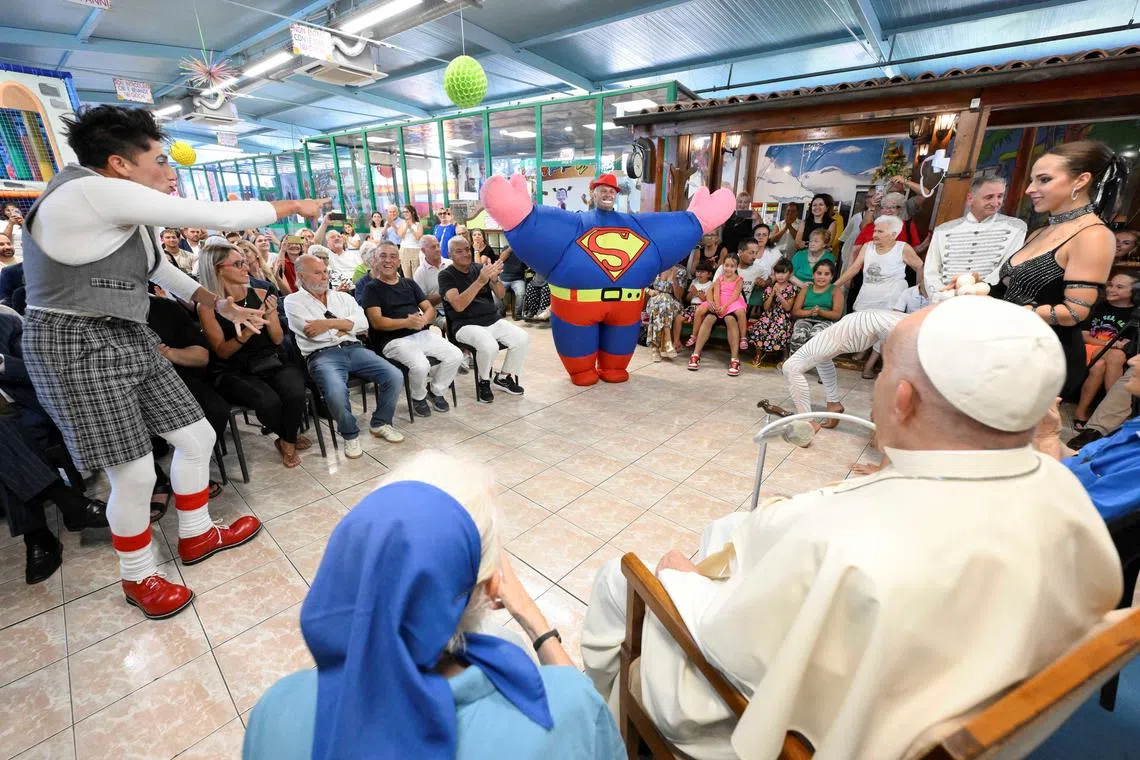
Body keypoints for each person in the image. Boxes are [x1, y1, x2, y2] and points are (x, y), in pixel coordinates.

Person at [582, 296, 1122, 760]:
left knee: (619, 576)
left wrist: (680, 583)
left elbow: (729, 642)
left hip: (760, 724)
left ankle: (606, 730)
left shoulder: (842, 540)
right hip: (935, 691)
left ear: (903, 398)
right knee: (734, 534)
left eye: (885, 371)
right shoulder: (1065, 494)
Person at [19, 105, 327, 619]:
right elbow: (222, 218)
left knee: (196, 436)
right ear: (120, 164)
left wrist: (218, 303)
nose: (169, 172)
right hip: (73, 342)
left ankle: (197, 534)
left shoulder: (123, 212)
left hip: (129, 333)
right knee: (135, 473)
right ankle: (139, 577)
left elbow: (160, 269)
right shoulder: (83, 192)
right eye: (160, 160)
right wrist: (295, 204)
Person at [243, 452, 623, 760]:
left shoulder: (275, 711)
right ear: (489, 589)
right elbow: (589, 712)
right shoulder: (563, 706)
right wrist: (533, 619)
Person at [993, 140, 1127, 399]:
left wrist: (1013, 313)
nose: (1031, 189)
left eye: (1043, 180)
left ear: (1081, 180)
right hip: (1011, 349)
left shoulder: (1093, 235)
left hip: (1043, 358)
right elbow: (1009, 289)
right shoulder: (1040, 232)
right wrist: (976, 289)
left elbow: (1074, 312)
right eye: (1032, 180)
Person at [198, 239, 310, 469]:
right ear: (218, 269)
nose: (246, 267)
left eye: (244, 262)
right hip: (234, 369)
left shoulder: (261, 292)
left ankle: (286, 440)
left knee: (296, 392)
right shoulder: (208, 307)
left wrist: (270, 318)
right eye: (238, 264)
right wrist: (246, 332)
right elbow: (222, 351)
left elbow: (278, 339)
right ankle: (289, 436)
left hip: (270, 360)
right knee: (268, 402)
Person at [284, 254, 404, 458]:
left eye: (325, 272)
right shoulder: (292, 301)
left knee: (394, 375)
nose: (324, 276)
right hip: (321, 355)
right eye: (317, 272)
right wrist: (345, 325)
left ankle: (380, 422)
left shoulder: (343, 297)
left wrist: (328, 324)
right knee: (335, 391)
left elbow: (363, 324)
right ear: (301, 276)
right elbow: (309, 332)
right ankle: (350, 434)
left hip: (354, 348)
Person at [1036, 354, 1140, 524]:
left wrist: (1046, 440)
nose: (1132, 360)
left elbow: (1067, 519)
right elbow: (1079, 457)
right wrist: (1048, 432)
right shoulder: (1135, 427)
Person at [362, 241, 462, 417]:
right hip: (392, 340)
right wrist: (406, 323)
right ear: (375, 260)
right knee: (421, 365)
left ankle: (436, 390)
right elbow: (377, 322)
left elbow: (429, 308)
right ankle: (418, 397)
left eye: (393, 256)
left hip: (420, 333)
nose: (388, 261)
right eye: (383, 256)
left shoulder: (409, 283)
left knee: (455, 355)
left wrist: (423, 320)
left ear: (399, 262)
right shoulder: (372, 288)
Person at [783, 308, 903, 440]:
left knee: (790, 367)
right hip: (870, 321)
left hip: (863, 322)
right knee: (822, 354)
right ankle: (833, 404)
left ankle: (808, 422)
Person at [440, 235, 529, 402]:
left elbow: (501, 294)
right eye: (459, 251)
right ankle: (484, 381)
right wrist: (481, 282)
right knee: (489, 346)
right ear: (450, 254)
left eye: (467, 249)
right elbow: (458, 305)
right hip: (464, 325)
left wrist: (494, 279)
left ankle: (503, 377)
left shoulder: (480, 267)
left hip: (491, 320)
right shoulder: (446, 276)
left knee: (522, 338)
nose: (465, 254)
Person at [924, 176, 1027, 303]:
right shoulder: (943, 230)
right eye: (989, 197)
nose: (996, 203)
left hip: (988, 301)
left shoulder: (1016, 227)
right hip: (944, 302)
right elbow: (931, 270)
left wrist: (980, 290)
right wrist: (941, 296)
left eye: (1000, 196)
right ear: (970, 199)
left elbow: (1007, 266)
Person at [1072, 270, 1137, 427]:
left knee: (1099, 366)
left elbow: (1130, 344)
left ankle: (1080, 413)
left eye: (1119, 287)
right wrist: (1112, 344)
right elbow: (1084, 336)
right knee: (1116, 356)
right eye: (1110, 284)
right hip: (1088, 349)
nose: (1111, 289)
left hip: (1104, 357)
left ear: (1134, 291)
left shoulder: (1136, 314)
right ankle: (1113, 413)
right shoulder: (1097, 306)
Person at [687, 254, 747, 376]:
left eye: (732, 266)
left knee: (731, 320)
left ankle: (735, 359)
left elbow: (735, 295)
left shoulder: (739, 279)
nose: (728, 268)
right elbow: (715, 293)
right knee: (708, 319)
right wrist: (717, 306)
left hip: (730, 306)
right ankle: (695, 354)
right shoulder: (719, 278)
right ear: (723, 265)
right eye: (726, 265)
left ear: (736, 267)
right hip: (718, 306)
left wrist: (724, 308)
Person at [787, 258, 843, 356]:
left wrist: (821, 312)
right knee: (798, 336)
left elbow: (837, 315)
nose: (822, 277)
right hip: (805, 318)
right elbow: (795, 311)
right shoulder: (805, 290)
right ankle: (794, 363)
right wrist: (810, 312)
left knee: (815, 337)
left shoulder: (835, 291)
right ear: (813, 275)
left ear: (831, 277)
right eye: (819, 273)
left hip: (825, 321)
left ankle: (810, 364)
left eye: (826, 274)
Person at [747, 258, 797, 365]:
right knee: (759, 329)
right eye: (778, 272)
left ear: (790, 273)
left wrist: (779, 295)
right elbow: (765, 307)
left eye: (784, 273)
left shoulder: (791, 289)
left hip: (783, 317)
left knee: (781, 330)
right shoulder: (769, 288)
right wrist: (772, 294)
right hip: (768, 315)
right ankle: (759, 354)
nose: (780, 275)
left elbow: (788, 308)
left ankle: (785, 356)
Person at [672, 261, 714, 351]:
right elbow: (688, 299)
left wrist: (697, 293)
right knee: (678, 318)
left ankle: (696, 343)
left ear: (709, 274)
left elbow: (707, 300)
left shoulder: (710, 284)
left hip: (702, 308)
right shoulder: (694, 282)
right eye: (698, 271)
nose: (699, 274)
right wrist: (691, 293)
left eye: (703, 272)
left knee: (701, 320)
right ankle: (676, 342)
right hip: (691, 307)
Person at [412, 234, 451, 331]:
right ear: (423, 250)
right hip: (436, 311)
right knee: (451, 324)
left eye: (438, 245)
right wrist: (444, 293)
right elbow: (422, 302)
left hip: (457, 305)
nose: (438, 249)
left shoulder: (451, 264)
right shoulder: (420, 273)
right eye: (433, 247)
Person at [644, 266, 683, 361]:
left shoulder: (681, 271)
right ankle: (668, 342)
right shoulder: (657, 268)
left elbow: (679, 296)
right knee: (662, 302)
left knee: (664, 300)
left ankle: (655, 349)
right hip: (655, 300)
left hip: (673, 304)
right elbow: (641, 284)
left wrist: (674, 280)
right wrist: (649, 291)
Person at [397, 204, 424, 277]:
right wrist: (406, 227)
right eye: (404, 212)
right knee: (407, 275)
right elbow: (401, 236)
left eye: (407, 212)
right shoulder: (402, 224)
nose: (405, 213)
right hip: (404, 250)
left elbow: (418, 237)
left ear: (412, 212)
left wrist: (411, 228)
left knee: (416, 274)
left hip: (416, 250)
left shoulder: (418, 224)